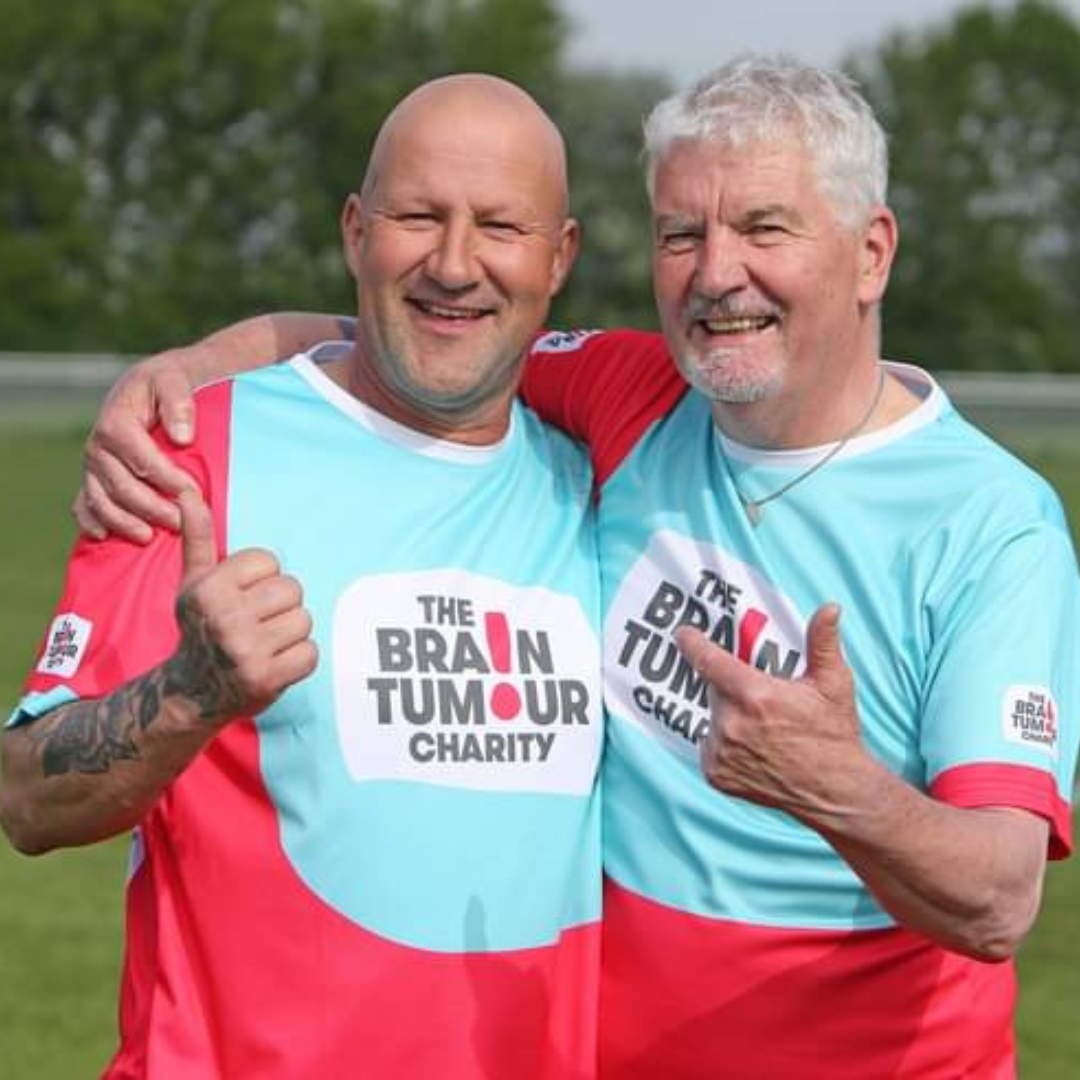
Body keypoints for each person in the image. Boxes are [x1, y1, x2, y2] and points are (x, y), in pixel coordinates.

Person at [60, 56, 1080, 1078]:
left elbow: (997, 899)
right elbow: (433, 332)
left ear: (871, 254)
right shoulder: (638, 395)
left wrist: (835, 786)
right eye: (684, 233)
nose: (718, 271)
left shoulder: (990, 525)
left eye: (766, 229)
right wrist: (186, 372)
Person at [0, 74, 606, 1079]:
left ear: (560, 257)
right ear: (356, 229)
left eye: (500, 226)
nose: (455, 264)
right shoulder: (193, 453)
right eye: (419, 216)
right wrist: (192, 691)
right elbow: (26, 797)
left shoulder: (601, 480)